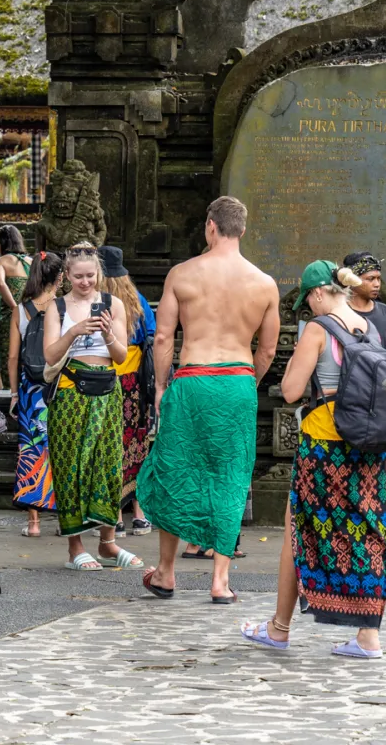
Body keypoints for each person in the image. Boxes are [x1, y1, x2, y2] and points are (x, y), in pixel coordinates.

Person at [242, 260, 386, 658]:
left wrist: (296, 356)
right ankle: (367, 636)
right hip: (368, 447)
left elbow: (290, 391)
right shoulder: (370, 328)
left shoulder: (317, 330)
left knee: (296, 531)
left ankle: (279, 628)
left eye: (308, 301)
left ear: (319, 293)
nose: (308, 309)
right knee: (366, 530)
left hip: (325, 448)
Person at [137, 197, 280, 603]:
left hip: (192, 379)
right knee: (230, 476)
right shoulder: (264, 283)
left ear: (210, 227)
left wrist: (162, 387)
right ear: (243, 230)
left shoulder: (182, 274)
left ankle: (166, 572)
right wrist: (246, 384)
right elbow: (268, 351)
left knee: (177, 471)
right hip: (237, 381)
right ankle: (220, 581)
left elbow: (163, 337)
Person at [42, 243, 144, 572]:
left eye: (91, 276)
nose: (85, 282)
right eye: (78, 277)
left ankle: (108, 543)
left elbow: (120, 356)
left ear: (99, 274)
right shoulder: (57, 307)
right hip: (71, 391)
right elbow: (50, 355)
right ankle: (75, 547)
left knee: (108, 467)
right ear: (67, 276)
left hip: (106, 391)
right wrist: (73, 331)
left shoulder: (112, 304)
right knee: (71, 467)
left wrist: (108, 333)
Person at [98, 245, 157, 536]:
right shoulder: (137, 299)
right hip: (135, 384)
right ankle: (140, 513)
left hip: (105, 381)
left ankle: (114, 517)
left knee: (109, 446)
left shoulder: (96, 301)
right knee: (138, 444)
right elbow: (151, 336)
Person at [9, 252, 63, 537]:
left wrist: (14, 393)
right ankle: (66, 519)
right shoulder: (65, 307)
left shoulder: (21, 309)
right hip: (59, 386)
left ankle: (34, 523)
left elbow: (13, 357)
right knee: (61, 446)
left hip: (30, 391)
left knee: (31, 449)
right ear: (60, 278)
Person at [0, 225, 33, 389]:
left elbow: (1, 283)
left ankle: (11, 395)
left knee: (9, 358)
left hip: (9, 319)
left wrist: (16, 308)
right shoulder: (31, 262)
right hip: (31, 317)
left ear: (1, 243)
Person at [342, 251, 386, 356]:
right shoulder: (340, 313)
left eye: (378, 279)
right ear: (352, 280)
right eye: (370, 279)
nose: (377, 284)